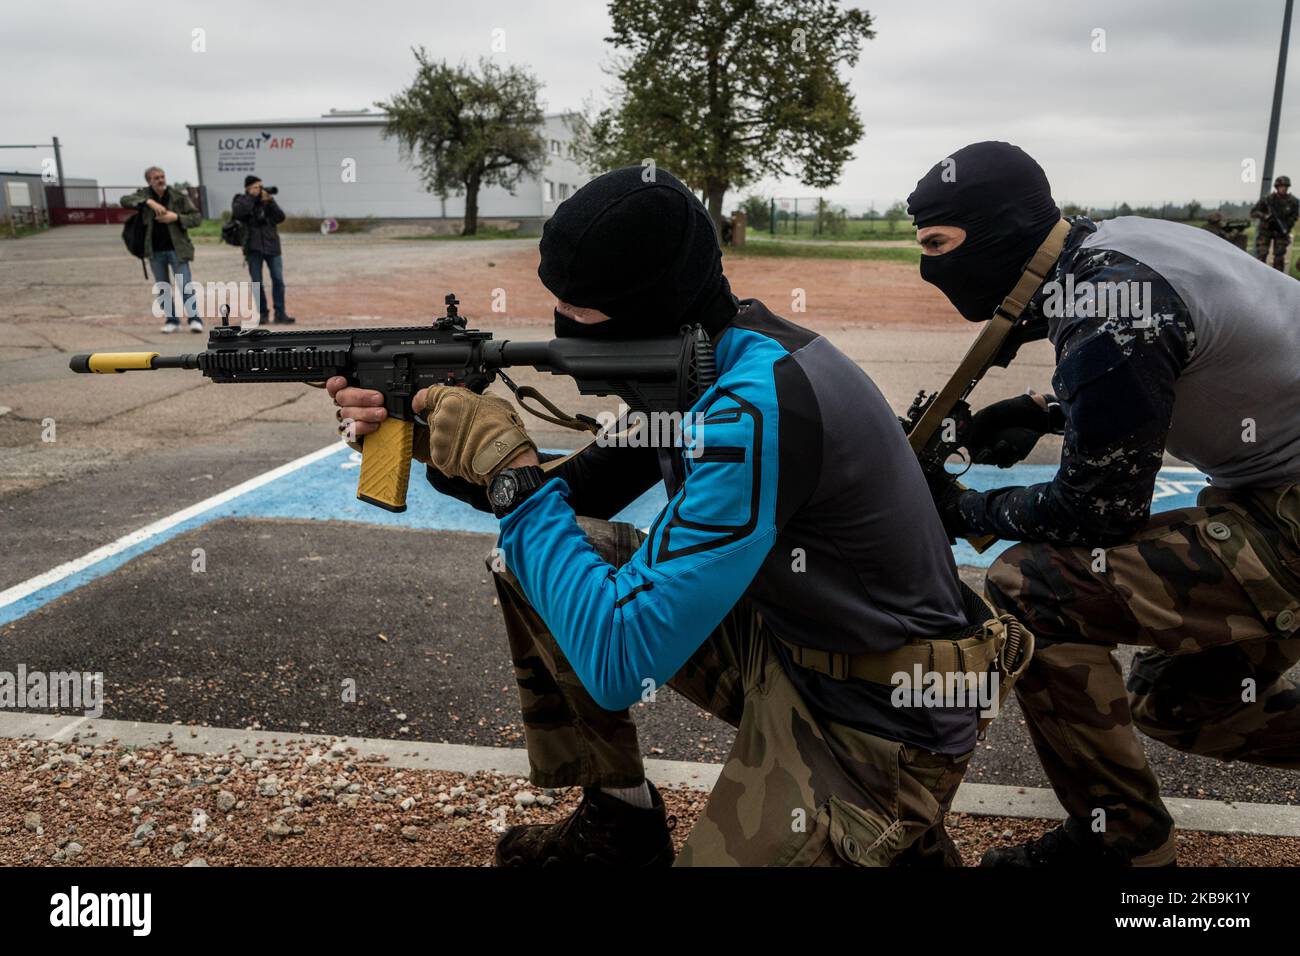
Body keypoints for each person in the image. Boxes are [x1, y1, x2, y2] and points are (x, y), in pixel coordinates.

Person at [328, 166, 1017, 867]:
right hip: (791, 643)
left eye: (584, 318)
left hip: (881, 711)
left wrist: (510, 473)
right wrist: (430, 439)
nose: (565, 336)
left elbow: (619, 662)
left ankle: (895, 819)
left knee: (568, 574)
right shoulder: (717, 351)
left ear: (653, 314)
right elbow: (577, 495)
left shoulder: (753, 408)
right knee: (532, 559)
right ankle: (619, 817)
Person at [909, 141, 1300, 867]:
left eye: (938, 244)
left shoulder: (1107, 298)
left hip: (1287, 513)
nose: (928, 266)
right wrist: (1041, 409)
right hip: (1274, 494)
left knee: (1030, 587)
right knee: (1182, 706)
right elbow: (1162, 370)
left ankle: (1120, 843)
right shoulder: (1106, 247)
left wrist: (963, 511)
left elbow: (1097, 510)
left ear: (997, 229)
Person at [119, 167, 203, 333]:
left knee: (185, 285)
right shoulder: (143, 196)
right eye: (156, 178)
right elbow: (124, 200)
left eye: (162, 176)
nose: (161, 180)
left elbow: (196, 218)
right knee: (163, 287)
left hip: (177, 250)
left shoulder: (178, 197)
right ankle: (172, 320)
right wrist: (148, 202)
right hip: (155, 251)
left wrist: (176, 217)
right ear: (149, 181)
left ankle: (195, 319)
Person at [232, 175, 295, 324]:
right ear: (248, 188)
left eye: (261, 186)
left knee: (278, 280)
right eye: (256, 187)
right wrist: (253, 198)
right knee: (257, 282)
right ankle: (263, 314)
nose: (260, 189)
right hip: (253, 248)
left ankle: (280, 314)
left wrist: (270, 201)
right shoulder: (240, 199)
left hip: (272, 246)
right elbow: (239, 213)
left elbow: (280, 217)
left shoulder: (266, 201)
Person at [1250, 175, 1298, 272]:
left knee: (1279, 257)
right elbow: (1253, 212)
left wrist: (1287, 226)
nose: (1283, 188)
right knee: (1262, 254)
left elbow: (1294, 216)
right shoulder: (1268, 199)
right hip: (1266, 230)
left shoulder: (1293, 201)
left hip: (1281, 232)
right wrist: (1265, 216)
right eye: (1281, 186)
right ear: (1277, 187)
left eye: (1285, 186)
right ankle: (1258, 275)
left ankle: (1278, 279)